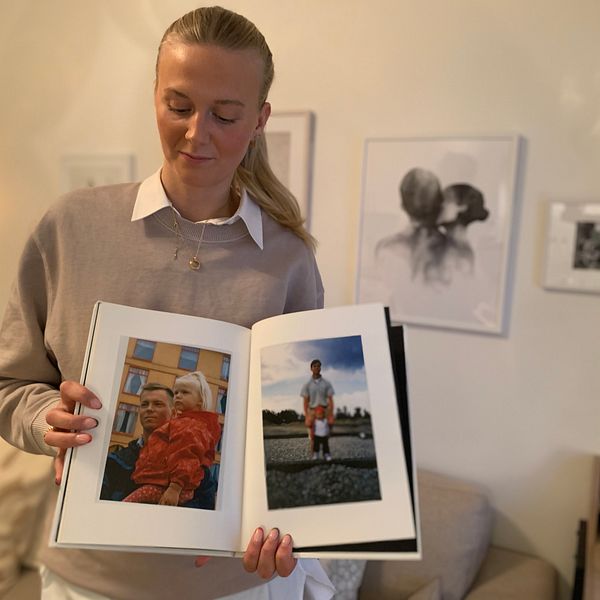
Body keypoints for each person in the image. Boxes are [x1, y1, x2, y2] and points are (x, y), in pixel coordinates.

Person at [0, 6, 333, 600]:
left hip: (235, 583)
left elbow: (290, 442)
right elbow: (9, 384)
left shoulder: (289, 260)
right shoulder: (72, 226)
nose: (196, 133)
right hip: (88, 579)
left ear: (260, 120)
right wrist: (47, 418)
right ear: (154, 96)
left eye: (224, 115)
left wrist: (288, 520)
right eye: (178, 106)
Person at [123, 372, 221, 506]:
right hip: (168, 487)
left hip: (173, 489)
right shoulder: (118, 458)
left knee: (125, 505)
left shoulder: (190, 426)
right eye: (176, 393)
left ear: (172, 411)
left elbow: (186, 456)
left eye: (158, 404)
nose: (178, 396)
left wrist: (175, 487)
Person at [301, 359, 335, 452]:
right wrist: (307, 416)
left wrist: (331, 414)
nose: (317, 368)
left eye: (318, 366)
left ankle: (326, 455)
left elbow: (331, 400)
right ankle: (314, 457)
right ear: (311, 368)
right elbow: (305, 402)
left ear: (320, 368)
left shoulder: (326, 383)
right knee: (313, 437)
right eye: (314, 366)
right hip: (312, 411)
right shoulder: (307, 385)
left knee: (325, 436)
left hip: (324, 410)